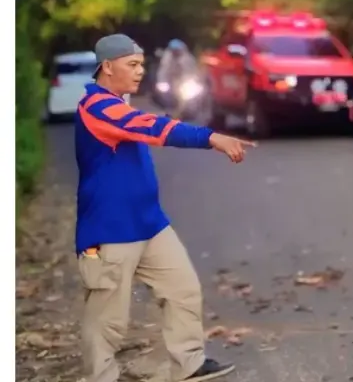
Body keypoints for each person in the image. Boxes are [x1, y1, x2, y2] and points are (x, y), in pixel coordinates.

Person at [76, 34, 255, 382]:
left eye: (141, 64)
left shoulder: (119, 103)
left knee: (182, 289)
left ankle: (187, 363)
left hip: (150, 224)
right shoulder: (97, 107)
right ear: (107, 67)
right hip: (110, 229)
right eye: (132, 64)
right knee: (107, 318)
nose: (140, 71)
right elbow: (154, 127)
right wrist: (211, 138)